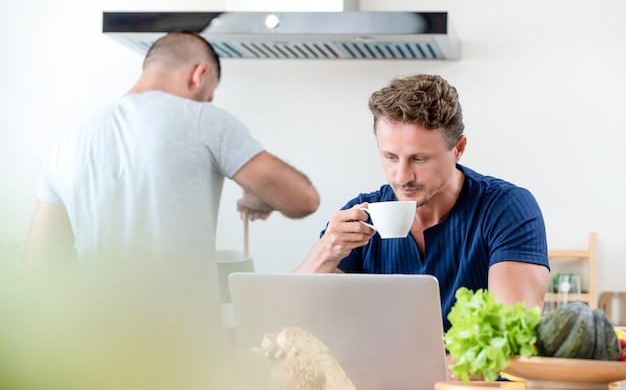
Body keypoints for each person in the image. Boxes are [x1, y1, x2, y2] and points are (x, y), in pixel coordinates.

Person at [25, 30, 320, 264]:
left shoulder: (68, 144)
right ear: (199, 74)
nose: (205, 104)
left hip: (90, 338)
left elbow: (40, 264)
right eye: (207, 96)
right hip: (182, 338)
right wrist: (260, 197)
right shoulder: (204, 120)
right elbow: (304, 200)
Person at [295, 73, 550, 332]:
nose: (402, 177)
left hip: (469, 375)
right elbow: (292, 318)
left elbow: (510, 336)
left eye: (419, 159)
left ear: (458, 149)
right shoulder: (360, 215)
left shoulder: (506, 209)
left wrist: (416, 372)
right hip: (381, 373)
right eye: (391, 157)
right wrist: (327, 250)